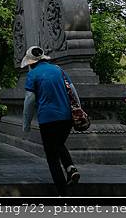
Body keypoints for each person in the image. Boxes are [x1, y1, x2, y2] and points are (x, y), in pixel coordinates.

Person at [21, 45, 80, 196]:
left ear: (31, 63)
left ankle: (62, 192)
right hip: (66, 117)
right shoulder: (59, 70)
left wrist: (26, 124)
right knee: (59, 144)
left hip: (48, 119)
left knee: (52, 156)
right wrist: (78, 109)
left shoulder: (33, 75)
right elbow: (72, 91)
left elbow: (29, 100)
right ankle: (70, 167)